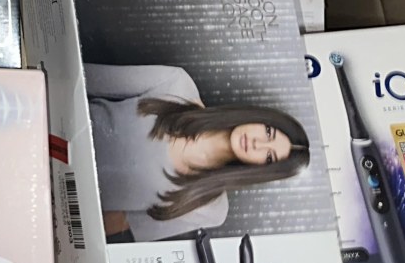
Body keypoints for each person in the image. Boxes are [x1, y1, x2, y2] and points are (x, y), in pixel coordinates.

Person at [86, 64, 310, 242]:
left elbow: (114, 225)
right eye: (268, 132)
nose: (257, 144)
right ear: (260, 118)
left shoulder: (210, 208)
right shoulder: (177, 85)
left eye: (269, 157)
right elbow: (85, 77)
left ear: (262, 170)